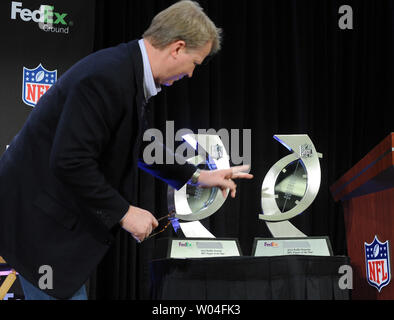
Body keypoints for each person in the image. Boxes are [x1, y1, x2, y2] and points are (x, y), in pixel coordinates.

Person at [0, 0, 252, 300]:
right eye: (194, 64)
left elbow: (137, 143)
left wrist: (197, 177)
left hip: (44, 223)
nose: (190, 75)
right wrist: (124, 212)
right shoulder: (108, 77)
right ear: (177, 48)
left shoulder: (125, 70)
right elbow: (70, 161)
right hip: (36, 224)